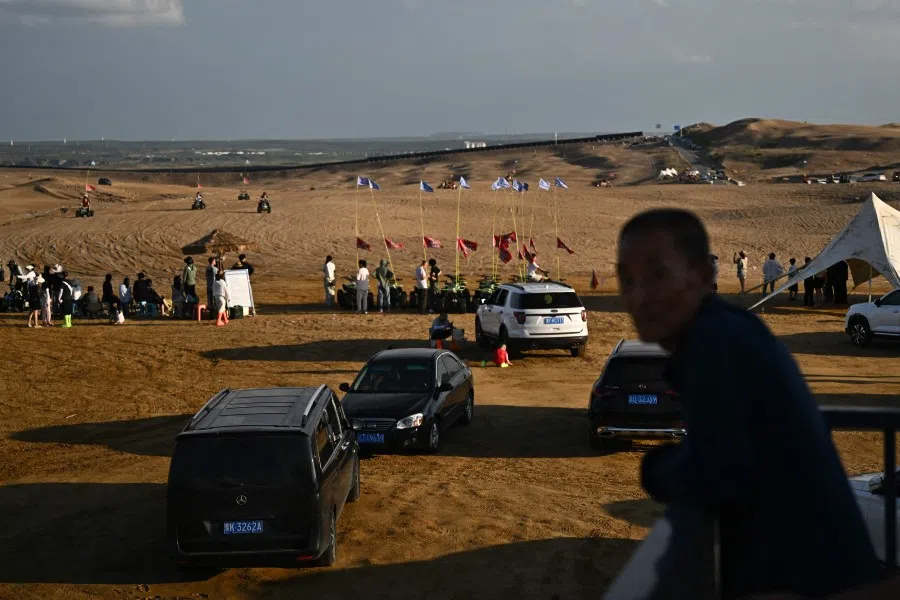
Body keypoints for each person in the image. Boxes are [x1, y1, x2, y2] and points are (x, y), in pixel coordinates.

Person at [616, 207, 880, 598]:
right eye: (626, 280)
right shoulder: (727, 330)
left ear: (704, 276)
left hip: (806, 581)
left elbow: (720, 471)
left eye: (657, 275)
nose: (638, 297)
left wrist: (657, 468)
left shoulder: (713, 343)